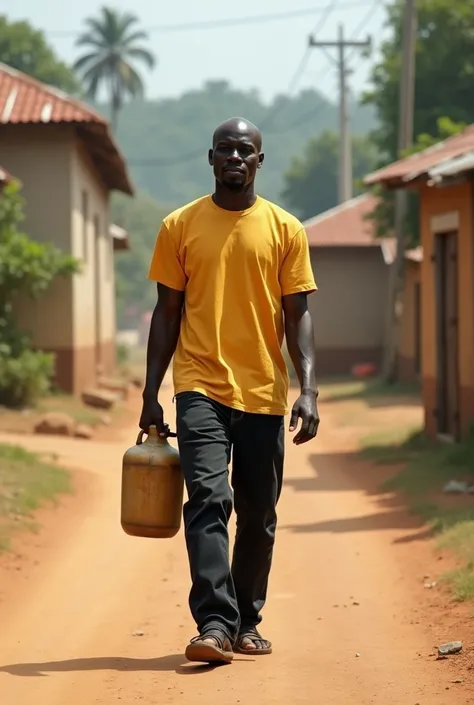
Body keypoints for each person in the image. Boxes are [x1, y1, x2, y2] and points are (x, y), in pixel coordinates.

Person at [139, 117, 319, 665]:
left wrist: (308, 387)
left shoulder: (286, 229)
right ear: (210, 157)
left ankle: (246, 621)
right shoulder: (179, 225)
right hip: (199, 387)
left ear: (260, 160)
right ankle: (215, 623)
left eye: (246, 150)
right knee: (209, 501)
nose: (235, 158)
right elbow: (167, 313)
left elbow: (298, 315)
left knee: (259, 512)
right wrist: (152, 391)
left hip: (263, 390)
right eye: (226, 150)